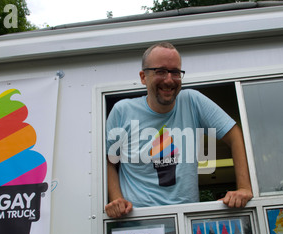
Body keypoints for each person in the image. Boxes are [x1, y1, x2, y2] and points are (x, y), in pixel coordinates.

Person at [105, 42, 253, 218]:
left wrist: (244, 188)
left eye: (175, 72)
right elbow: (108, 161)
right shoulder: (123, 111)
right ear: (143, 77)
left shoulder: (192, 101)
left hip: (186, 221)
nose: (169, 80)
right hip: (137, 223)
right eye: (160, 71)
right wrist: (117, 199)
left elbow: (234, 134)